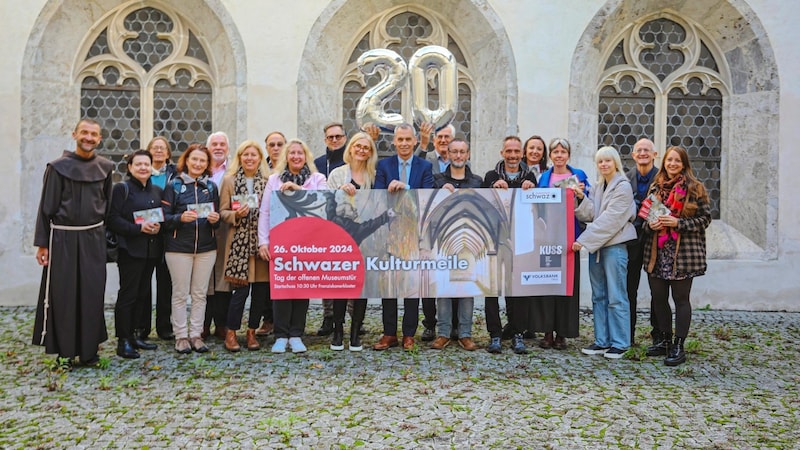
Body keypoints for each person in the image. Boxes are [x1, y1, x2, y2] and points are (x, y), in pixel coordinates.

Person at [32, 118, 114, 366]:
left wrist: (107, 241)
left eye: (94, 134)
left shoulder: (106, 168)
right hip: (63, 237)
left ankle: (89, 352)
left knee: (92, 292)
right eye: (84, 133)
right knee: (64, 294)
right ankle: (66, 352)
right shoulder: (58, 168)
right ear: (75, 134)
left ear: (99, 139)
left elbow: (107, 206)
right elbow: (46, 208)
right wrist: (43, 244)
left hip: (93, 237)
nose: (89, 138)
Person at [643, 146, 711, 366]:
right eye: (669, 160)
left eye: (677, 161)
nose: (672, 164)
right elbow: (645, 218)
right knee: (659, 298)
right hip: (658, 252)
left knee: (681, 300)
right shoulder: (656, 188)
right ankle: (664, 341)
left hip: (683, 254)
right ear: (664, 162)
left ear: (684, 164)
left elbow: (704, 219)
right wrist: (651, 224)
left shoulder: (695, 188)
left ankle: (679, 345)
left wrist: (678, 223)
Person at [258, 139, 328, 354]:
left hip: (307, 243)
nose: (296, 156)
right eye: (292, 153)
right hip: (281, 241)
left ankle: (296, 334)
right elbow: (265, 211)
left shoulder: (317, 179)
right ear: (286, 156)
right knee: (282, 290)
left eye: (300, 153)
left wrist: (298, 190)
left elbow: (324, 204)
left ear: (306, 156)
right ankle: (281, 335)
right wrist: (263, 242)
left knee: (301, 289)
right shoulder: (274, 180)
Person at [372, 123, 435, 351]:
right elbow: (377, 197)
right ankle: (389, 333)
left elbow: (427, 197)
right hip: (389, 233)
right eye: (400, 140)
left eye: (408, 139)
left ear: (415, 141)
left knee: (411, 284)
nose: (405, 144)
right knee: (389, 285)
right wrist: (388, 187)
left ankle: (409, 334)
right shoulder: (384, 165)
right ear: (394, 142)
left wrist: (406, 187)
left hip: (414, 233)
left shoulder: (425, 166)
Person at [314, 122, 380, 337]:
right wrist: (339, 192)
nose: (361, 150)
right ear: (350, 148)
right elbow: (325, 204)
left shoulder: (374, 176)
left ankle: (356, 325)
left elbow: (377, 204)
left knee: (360, 282)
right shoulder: (337, 174)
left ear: (371, 152)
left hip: (363, 238)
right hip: (340, 237)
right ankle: (337, 326)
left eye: (366, 147)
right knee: (339, 282)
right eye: (357, 146)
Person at [573, 146, 637, 359]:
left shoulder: (623, 186)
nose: (604, 165)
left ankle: (620, 342)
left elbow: (612, 220)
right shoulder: (599, 187)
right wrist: (581, 198)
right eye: (600, 161)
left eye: (608, 161)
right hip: (598, 247)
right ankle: (602, 340)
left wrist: (582, 241)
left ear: (615, 162)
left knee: (616, 296)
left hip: (614, 247)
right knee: (599, 296)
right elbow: (591, 214)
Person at [530, 138, 589, 350]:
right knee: (548, 284)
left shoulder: (579, 176)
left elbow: (588, 206)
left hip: (569, 240)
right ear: (551, 155)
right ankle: (547, 331)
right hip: (548, 238)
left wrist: (581, 195)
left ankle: (562, 332)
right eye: (555, 151)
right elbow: (536, 206)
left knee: (567, 286)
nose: (559, 155)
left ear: (568, 155)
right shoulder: (543, 177)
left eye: (563, 151)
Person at [161, 144, 221, 353]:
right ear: (186, 160)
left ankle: (196, 334)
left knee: (200, 293)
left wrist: (215, 219)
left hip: (206, 248)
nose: (197, 164)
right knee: (179, 293)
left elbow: (218, 219)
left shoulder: (211, 187)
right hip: (178, 248)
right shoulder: (174, 185)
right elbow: (164, 219)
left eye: (202, 161)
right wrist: (180, 218)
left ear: (207, 164)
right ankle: (181, 336)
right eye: (194, 159)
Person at [482, 136, 538, 354]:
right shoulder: (490, 176)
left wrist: (532, 188)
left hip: (521, 240)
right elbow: (482, 204)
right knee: (492, 289)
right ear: (502, 153)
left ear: (522, 154)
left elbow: (538, 206)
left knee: (518, 290)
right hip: (495, 240)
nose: (513, 155)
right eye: (509, 151)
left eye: (516, 151)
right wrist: (492, 188)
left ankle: (517, 333)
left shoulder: (530, 176)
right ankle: (495, 334)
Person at [107, 150, 163, 359]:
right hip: (130, 250)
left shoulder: (156, 191)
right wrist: (138, 229)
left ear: (151, 167)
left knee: (143, 295)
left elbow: (161, 217)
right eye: (138, 164)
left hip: (151, 251)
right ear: (129, 167)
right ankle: (123, 340)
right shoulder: (121, 189)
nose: (143, 168)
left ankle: (137, 335)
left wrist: (158, 227)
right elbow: (113, 219)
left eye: (146, 164)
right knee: (128, 296)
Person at [429, 138, 482, 351]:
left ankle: (465, 334)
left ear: (468, 154)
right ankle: (443, 333)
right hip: (443, 240)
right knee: (444, 287)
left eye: (462, 152)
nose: (458, 156)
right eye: (454, 152)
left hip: (471, 242)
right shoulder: (437, 181)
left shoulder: (477, 182)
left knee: (466, 287)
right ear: (447, 154)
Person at [219, 140, 271, 352]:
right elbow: (222, 211)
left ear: (260, 158)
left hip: (260, 245)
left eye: (253, 155)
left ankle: (251, 332)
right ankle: (231, 332)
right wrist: (235, 215)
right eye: (245, 155)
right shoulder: (229, 181)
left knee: (260, 292)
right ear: (239, 158)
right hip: (238, 245)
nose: (249, 158)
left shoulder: (268, 182)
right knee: (240, 292)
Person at [627, 138, 659, 347]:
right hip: (630, 240)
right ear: (633, 155)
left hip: (656, 239)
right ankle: (626, 334)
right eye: (639, 150)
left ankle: (659, 335)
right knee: (629, 288)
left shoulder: (663, 177)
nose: (643, 153)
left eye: (647, 150)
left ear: (655, 155)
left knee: (657, 290)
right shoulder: (625, 177)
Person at [147, 136, 177, 341]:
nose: (158, 151)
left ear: (168, 154)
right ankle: (141, 327)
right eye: (154, 148)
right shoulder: (140, 171)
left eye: (162, 148)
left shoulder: (175, 175)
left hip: (168, 235)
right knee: (143, 284)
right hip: (146, 234)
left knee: (166, 284)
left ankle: (164, 326)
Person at [204, 132, 233, 340]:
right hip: (201, 229)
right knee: (203, 278)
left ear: (228, 149)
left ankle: (221, 323)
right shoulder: (198, 168)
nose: (218, 147)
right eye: (214, 144)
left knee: (223, 278)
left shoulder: (233, 171)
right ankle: (203, 324)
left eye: (222, 144)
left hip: (226, 229)